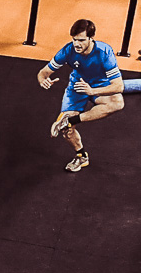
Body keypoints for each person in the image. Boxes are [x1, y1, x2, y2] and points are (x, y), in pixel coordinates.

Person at [36, 19, 124, 173]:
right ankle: (81, 156)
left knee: (118, 103)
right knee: (67, 131)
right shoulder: (68, 51)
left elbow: (119, 86)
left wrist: (93, 91)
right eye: (75, 40)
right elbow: (43, 73)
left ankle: (70, 120)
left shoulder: (104, 52)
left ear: (91, 38)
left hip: (99, 86)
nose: (77, 44)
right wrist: (43, 81)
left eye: (82, 40)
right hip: (77, 87)